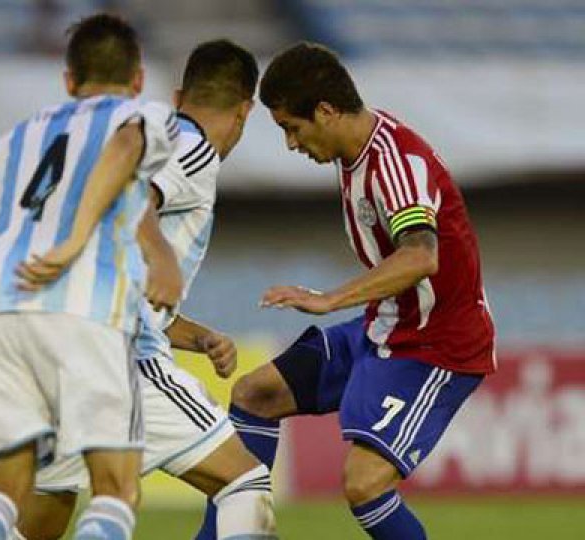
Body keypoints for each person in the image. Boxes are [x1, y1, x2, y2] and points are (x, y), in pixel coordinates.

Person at [0, 13, 180, 540]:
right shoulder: (146, 113)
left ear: (68, 81)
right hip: (85, 310)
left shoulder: (19, 136)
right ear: (139, 78)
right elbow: (126, 145)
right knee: (116, 491)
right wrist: (75, 237)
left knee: (5, 492)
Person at [209, 42, 496, 540]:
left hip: (437, 346)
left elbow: (420, 255)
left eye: (292, 128)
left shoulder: (394, 162)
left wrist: (329, 299)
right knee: (255, 394)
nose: (291, 145)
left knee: (364, 485)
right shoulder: (357, 154)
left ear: (325, 111)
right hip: (384, 327)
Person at [17, 39, 278, 540]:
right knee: (245, 482)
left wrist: (200, 336)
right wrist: (163, 258)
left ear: (179, 95)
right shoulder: (192, 147)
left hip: (60, 341)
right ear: (246, 110)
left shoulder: (145, 139)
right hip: (121, 355)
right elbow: (131, 197)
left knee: (49, 507)